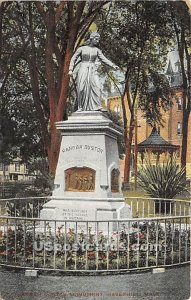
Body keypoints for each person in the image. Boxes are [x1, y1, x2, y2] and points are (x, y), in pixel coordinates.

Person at [69, 32, 118, 111]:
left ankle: (97, 106)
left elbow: (104, 59)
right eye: (96, 39)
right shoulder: (82, 49)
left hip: (93, 70)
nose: (97, 41)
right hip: (83, 69)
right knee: (81, 88)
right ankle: (80, 107)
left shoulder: (97, 50)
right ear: (91, 38)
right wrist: (70, 69)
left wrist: (112, 65)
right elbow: (73, 58)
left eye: (98, 39)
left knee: (97, 87)